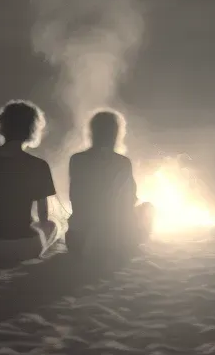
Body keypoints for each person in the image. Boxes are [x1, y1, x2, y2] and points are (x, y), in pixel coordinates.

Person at [0, 100, 60, 261]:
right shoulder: (39, 165)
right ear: (33, 129)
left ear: (2, 126)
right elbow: (43, 216)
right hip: (20, 248)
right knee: (53, 224)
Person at [66, 109, 155, 259]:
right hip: (115, 240)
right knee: (148, 208)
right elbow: (130, 200)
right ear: (116, 134)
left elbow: (74, 196)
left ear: (92, 132)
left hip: (78, 240)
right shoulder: (122, 163)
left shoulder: (77, 159)